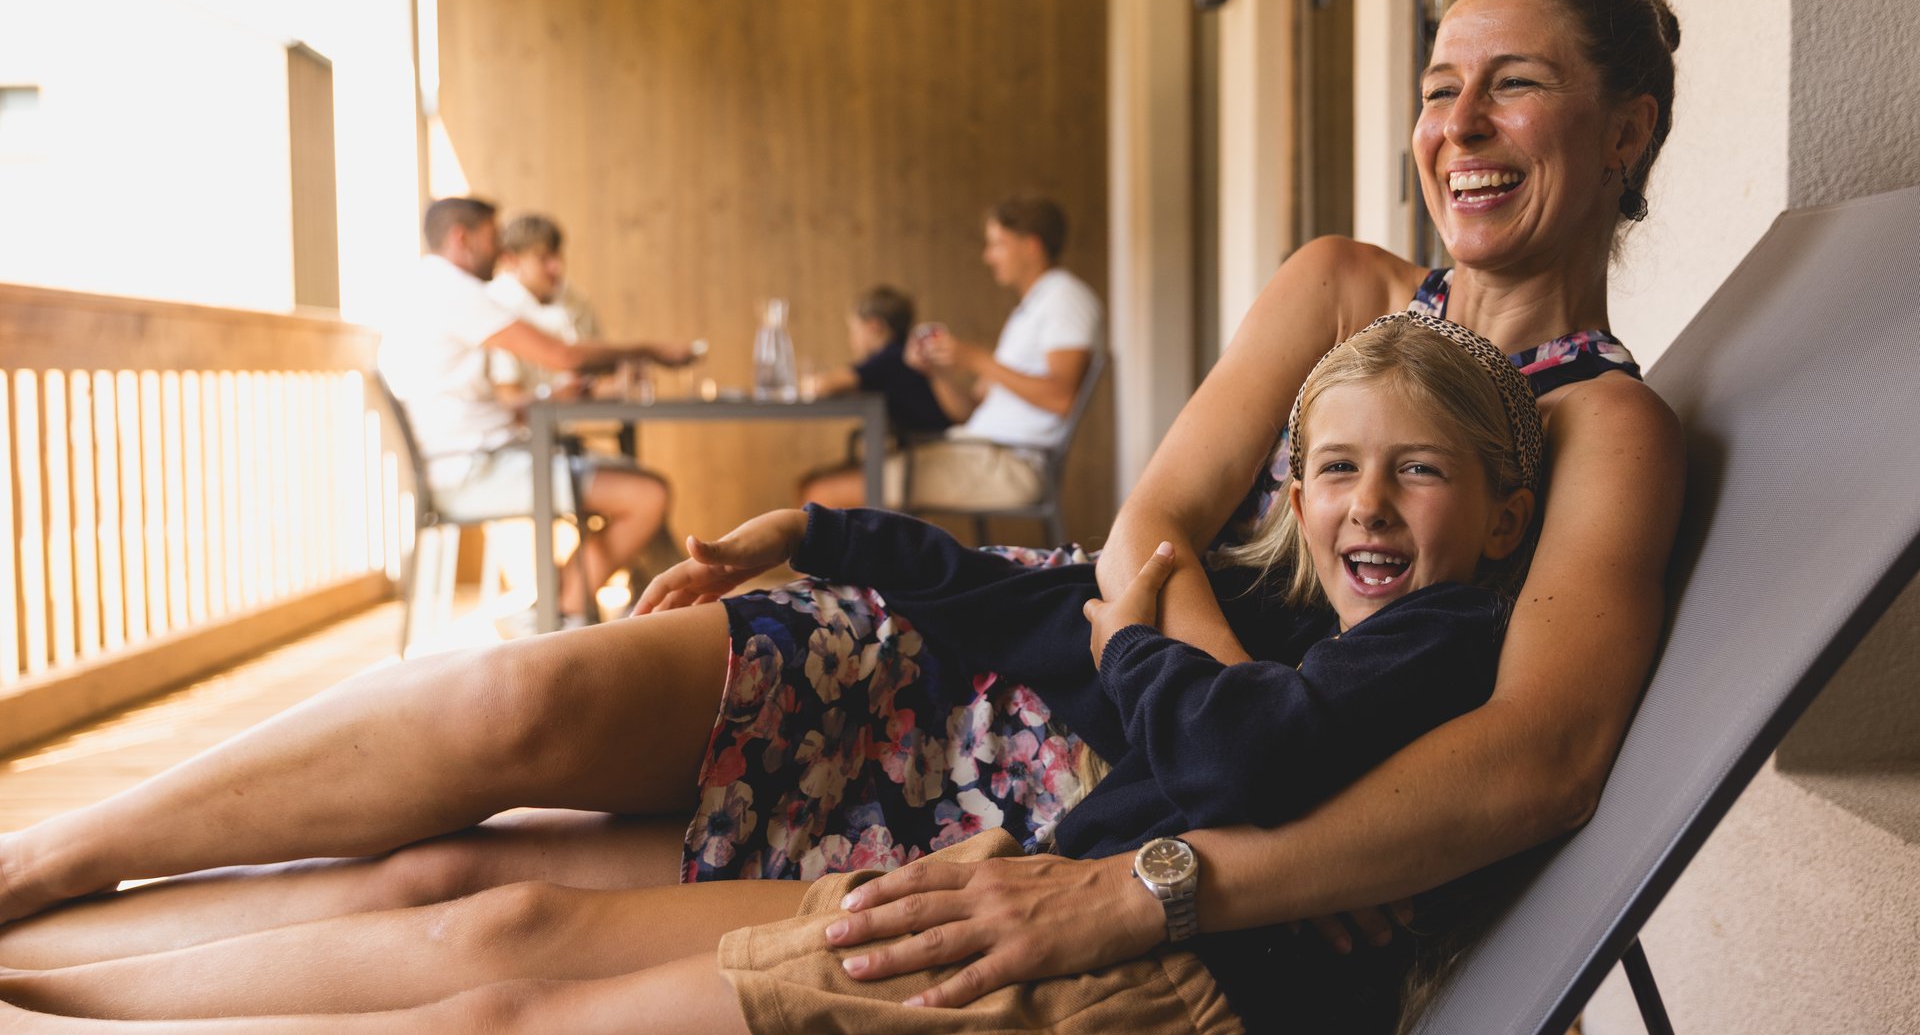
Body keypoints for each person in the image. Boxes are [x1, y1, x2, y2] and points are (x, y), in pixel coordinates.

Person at [0, 0, 1685, 1031]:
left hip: (1059, 824)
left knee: (486, 902)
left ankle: (50, 982)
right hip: (986, 667)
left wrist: (1175, 771)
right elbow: (1135, 535)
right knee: (519, 692)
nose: (1460, 123)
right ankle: (41, 860)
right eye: (1438, 86)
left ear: (1626, 131)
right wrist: (1210, 687)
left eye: (1514, 83)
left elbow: (1536, 757)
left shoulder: (1599, 430)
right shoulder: (1344, 286)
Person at [0, 312, 1542, 1031]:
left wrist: (1146, 621)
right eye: (1330, 470)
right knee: (502, 775)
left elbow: (1221, 721)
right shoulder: (1339, 424)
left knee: (495, 915)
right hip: (1018, 772)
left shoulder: (1448, 609)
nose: (1363, 504)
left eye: (1413, 473)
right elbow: (1085, 572)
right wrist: (820, 530)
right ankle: (42, 891)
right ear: (1296, 479)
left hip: (1048, 863)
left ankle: (53, 981)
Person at [380, 197, 694, 624]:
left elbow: (479, 400)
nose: (500, 251)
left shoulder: (425, 287)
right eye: (493, 237)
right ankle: (559, 613)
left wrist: (547, 401)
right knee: (648, 496)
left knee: (638, 486)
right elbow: (562, 355)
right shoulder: (454, 291)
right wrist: (651, 350)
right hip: (471, 471)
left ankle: (639, 609)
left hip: (475, 459)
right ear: (461, 238)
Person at [800, 196, 1102, 512]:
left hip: (1008, 465)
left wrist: (978, 360)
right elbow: (966, 412)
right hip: (977, 450)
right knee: (818, 483)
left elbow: (1061, 398)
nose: (988, 256)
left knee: (820, 493)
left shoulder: (1065, 298)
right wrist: (939, 372)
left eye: (998, 244)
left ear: (1031, 246)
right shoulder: (1028, 311)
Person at [795, 285, 952, 501]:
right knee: (811, 482)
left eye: (853, 330)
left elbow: (824, 386)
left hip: (927, 457)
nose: (852, 339)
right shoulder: (903, 354)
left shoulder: (891, 358)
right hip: (923, 451)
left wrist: (809, 381)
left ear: (874, 327)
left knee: (815, 490)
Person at [484, 213, 603, 402]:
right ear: (510, 260)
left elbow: (602, 376)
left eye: (558, 255)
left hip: (560, 424)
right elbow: (507, 396)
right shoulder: (494, 305)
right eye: (543, 258)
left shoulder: (574, 300)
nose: (556, 267)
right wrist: (552, 395)